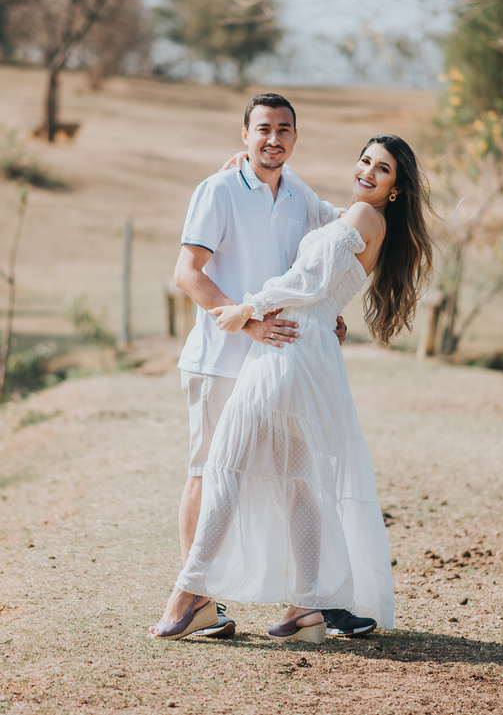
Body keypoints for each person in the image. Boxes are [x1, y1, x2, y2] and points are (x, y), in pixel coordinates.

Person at [152, 134, 435, 642]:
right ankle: (305, 608)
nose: (368, 172)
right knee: (299, 480)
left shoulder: (365, 220)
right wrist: (260, 168)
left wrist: (248, 307)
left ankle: (190, 593)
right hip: (310, 350)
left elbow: (306, 280)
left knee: (228, 466)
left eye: (383, 169)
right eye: (365, 160)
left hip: (288, 351)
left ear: (396, 188)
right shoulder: (353, 216)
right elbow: (313, 217)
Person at [172, 93, 374, 639]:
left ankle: (309, 602)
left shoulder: (300, 194)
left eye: (284, 129)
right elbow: (188, 273)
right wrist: (246, 322)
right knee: (208, 474)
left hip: (278, 366)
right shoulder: (217, 190)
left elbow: (339, 244)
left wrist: (324, 311)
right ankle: (198, 603)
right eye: (263, 129)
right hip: (220, 360)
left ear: (294, 137)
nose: (273, 138)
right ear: (245, 135)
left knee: (297, 480)